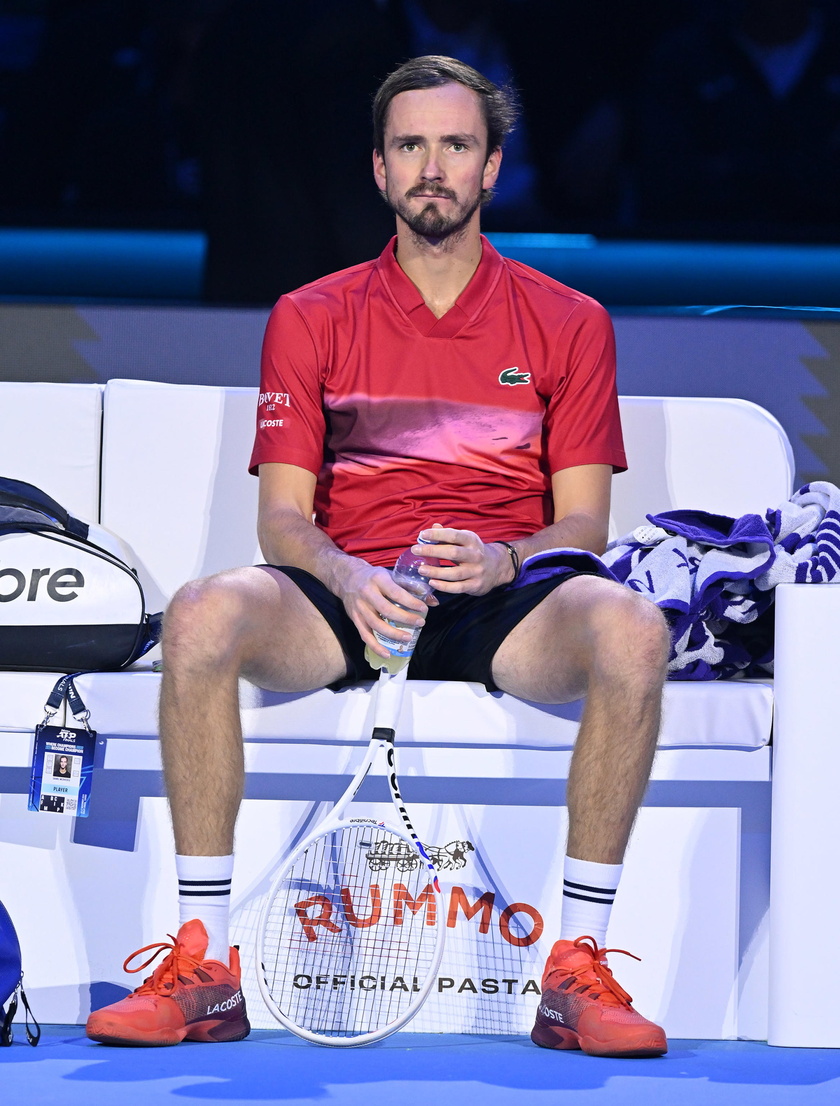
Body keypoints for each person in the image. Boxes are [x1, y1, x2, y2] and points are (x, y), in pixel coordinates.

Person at [86, 55, 670, 1057]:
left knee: (632, 625)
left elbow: (583, 527)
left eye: (456, 145)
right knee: (200, 611)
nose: (432, 166)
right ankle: (205, 964)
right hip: (348, 593)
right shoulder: (310, 315)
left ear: (491, 168)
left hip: (504, 601)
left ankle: (579, 963)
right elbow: (283, 520)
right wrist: (352, 578)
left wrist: (500, 559)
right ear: (378, 168)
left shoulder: (571, 322)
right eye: (411, 146)